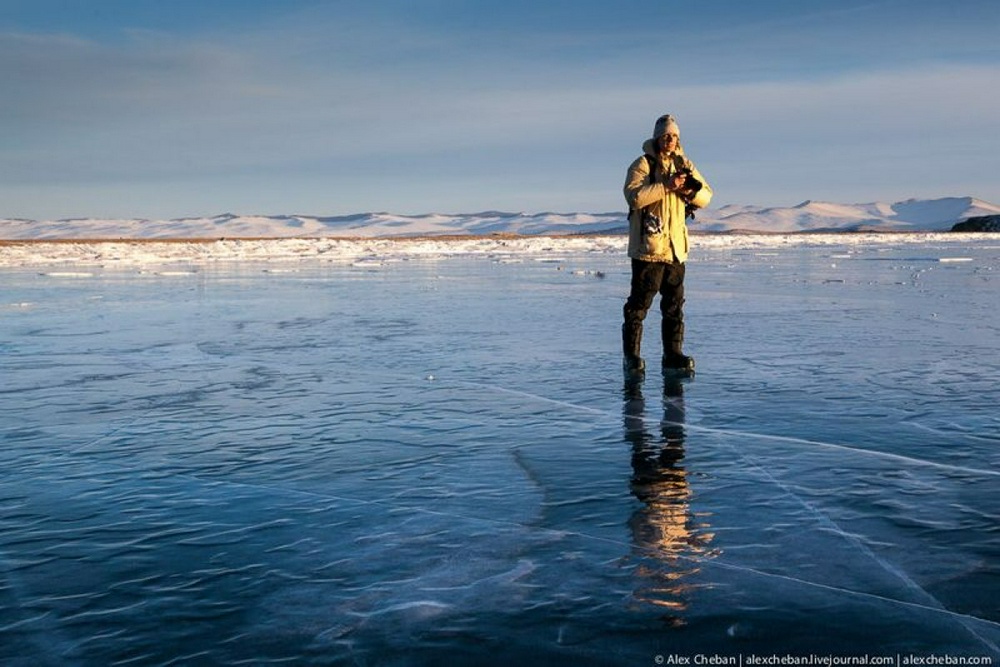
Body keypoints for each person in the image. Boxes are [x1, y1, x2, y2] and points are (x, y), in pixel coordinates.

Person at [622, 113, 712, 375]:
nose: (670, 140)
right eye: (666, 136)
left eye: (674, 136)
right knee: (639, 305)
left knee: (674, 307)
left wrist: (689, 191)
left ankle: (672, 355)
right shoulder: (643, 165)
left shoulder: (684, 164)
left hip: (675, 251)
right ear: (657, 137)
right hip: (648, 250)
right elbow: (634, 197)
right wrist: (666, 186)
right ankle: (632, 358)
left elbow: (707, 196)